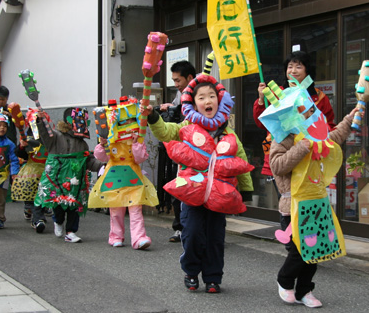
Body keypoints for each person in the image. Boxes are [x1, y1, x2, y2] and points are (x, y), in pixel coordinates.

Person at [141, 73, 253, 293]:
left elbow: (242, 159)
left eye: (212, 96)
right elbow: (165, 132)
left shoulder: (228, 133)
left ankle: (213, 277)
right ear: (193, 103)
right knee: (192, 234)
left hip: (219, 196)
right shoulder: (186, 126)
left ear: (219, 101)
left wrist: (246, 189)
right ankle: (191, 271)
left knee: (215, 239)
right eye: (201, 97)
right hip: (192, 193)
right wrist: (153, 116)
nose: (207, 101)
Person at [259, 77, 361, 308]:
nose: (305, 114)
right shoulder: (281, 137)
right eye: (300, 110)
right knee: (298, 252)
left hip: (317, 203)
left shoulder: (315, 132)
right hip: (292, 206)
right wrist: (301, 147)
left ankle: (305, 290)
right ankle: (285, 280)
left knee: (316, 253)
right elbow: (277, 166)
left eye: (307, 109)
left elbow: (334, 137)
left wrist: (350, 117)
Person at [252, 51, 336, 201]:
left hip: (309, 157)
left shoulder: (319, 97)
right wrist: (261, 99)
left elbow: (329, 125)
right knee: (287, 204)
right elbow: (262, 123)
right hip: (283, 157)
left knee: (306, 204)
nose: (293, 71)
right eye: (290, 67)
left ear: (307, 71)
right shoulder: (277, 94)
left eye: (298, 66)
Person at [89, 96, 159, 250]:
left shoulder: (137, 140)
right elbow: (101, 157)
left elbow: (140, 158)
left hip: (133, 176)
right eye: (123, 122)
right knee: (116, 210)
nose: (127, 126)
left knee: (136, 209)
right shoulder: (110, 139)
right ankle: (116, 236)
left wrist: (135, 144)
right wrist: (102, 144)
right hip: (114, 176)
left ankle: (139, 238)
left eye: (130, 122)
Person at [34, 107, 104, 243]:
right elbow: (44, 134)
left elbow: (88, 160)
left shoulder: (82, 143)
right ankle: (58, 221)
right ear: (69, 121)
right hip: (58, 175)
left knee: (75, 204)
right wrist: (41, 121)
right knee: (59, 203)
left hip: (75, 179)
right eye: (79, 120)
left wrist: (102, 166)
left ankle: (71, 231)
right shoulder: (55, 137)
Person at [160, 60, 196, 242]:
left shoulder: (200, 94)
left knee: (199, 190)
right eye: (173, 80)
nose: (176, 84)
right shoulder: (180, 95)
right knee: (178, 189)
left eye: (178, 80)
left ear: (189, 78)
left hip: (199, 153)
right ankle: (180, 228)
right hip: (181, 152)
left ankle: (202, 230)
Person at [11, 108, 50, 233]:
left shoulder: (50, 138)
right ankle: (37, 218)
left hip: (47, 170)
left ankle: (38, 215)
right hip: (32, 170)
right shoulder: (28, 138)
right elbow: (19, 153)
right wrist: (22, 147)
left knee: (43, 194)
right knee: (32, 195)